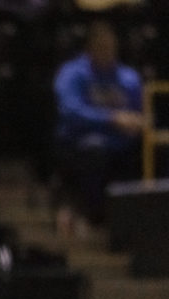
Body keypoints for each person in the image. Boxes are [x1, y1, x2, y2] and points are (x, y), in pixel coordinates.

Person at [52, 19, 143, 235]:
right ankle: (92, 217)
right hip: (79, 143)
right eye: (102, 48)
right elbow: (70, 111)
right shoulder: (72, 73)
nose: (108, 52)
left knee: (154, 152)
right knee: (95, 150)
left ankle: (138, 225)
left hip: (122, 144)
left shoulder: (129, 78)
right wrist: (111, 119)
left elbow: (140, 114)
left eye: (111, 48)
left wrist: (137, 123)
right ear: (90, 48)